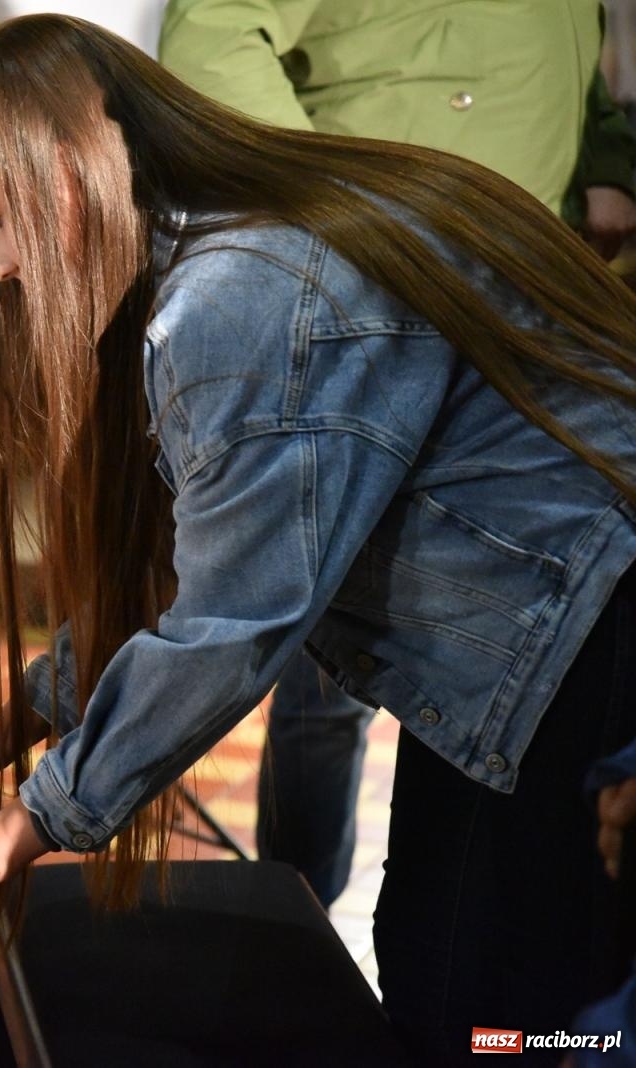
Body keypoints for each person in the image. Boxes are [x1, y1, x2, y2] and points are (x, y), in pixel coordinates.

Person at [0, 13, 636, 1062]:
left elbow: (230, 623)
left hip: (585, 640)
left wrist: (24, 823)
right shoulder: (247, 232)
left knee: (498, 1023)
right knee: (441, 972)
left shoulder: (244, 295)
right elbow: (199, 575)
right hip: (538, 644)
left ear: (70, 173)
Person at [155, 0, 636, 909]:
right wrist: (339, 208)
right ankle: (298, 916)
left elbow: (573, 58)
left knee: (499, 668)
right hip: (390, 313)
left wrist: (607, 163)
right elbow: (210, 32)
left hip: (534, 332)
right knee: (327, 662)